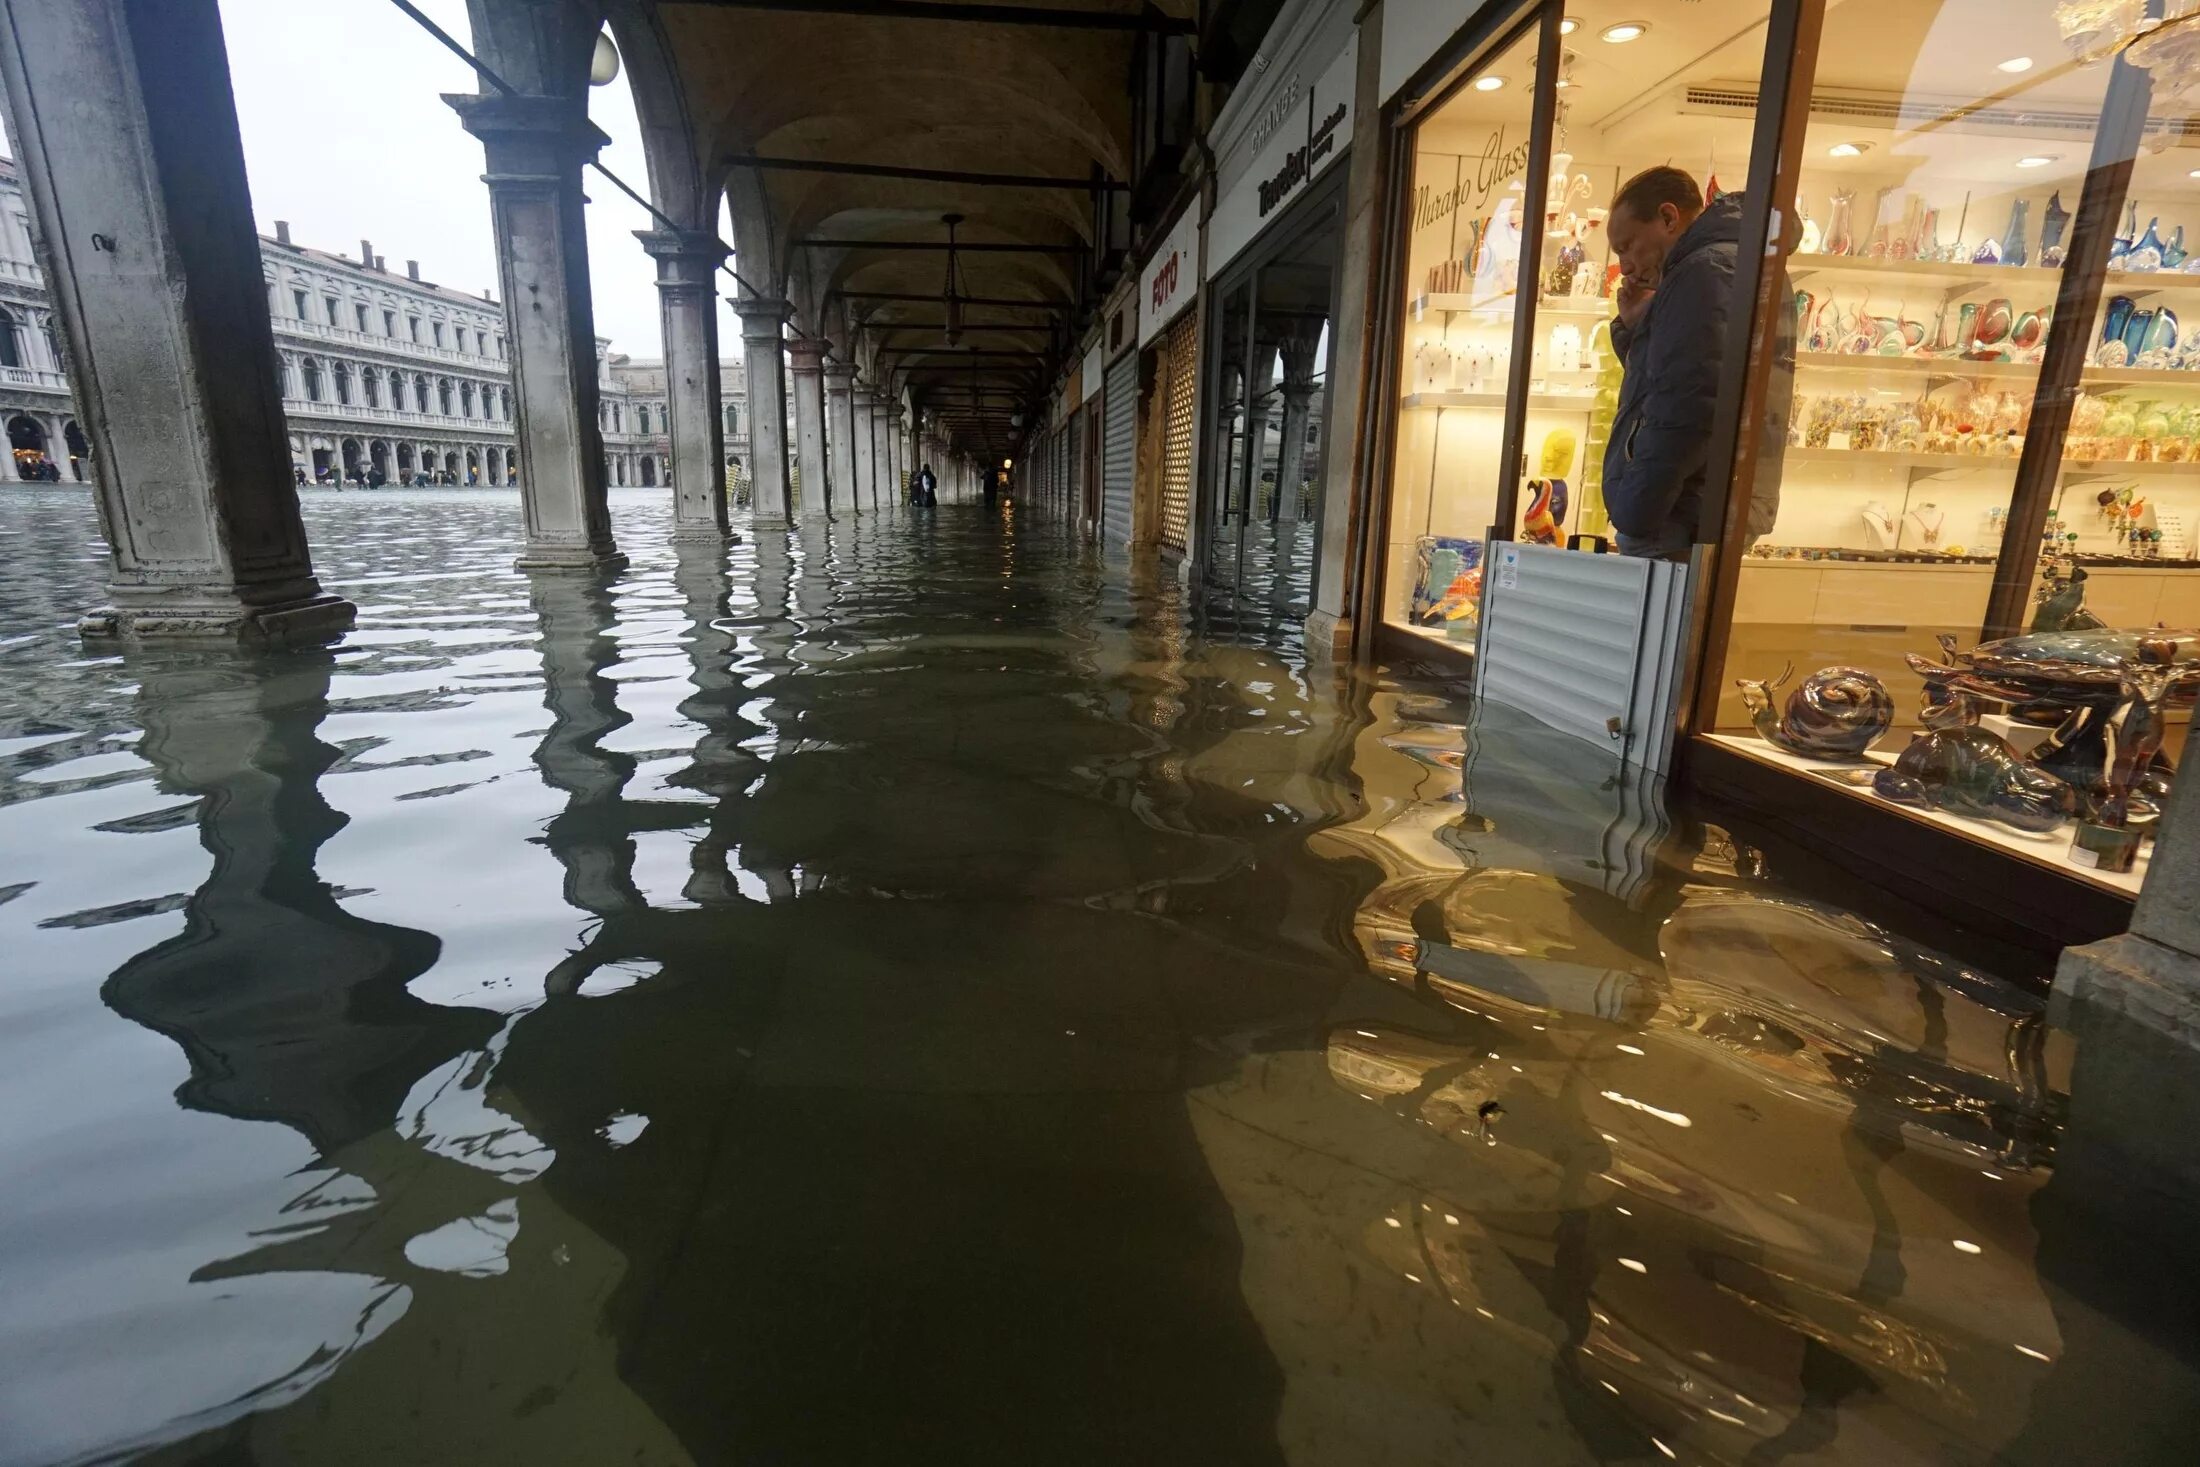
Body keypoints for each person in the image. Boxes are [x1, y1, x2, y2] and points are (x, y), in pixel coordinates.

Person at [1601, 166, 1775, 560]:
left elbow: (1687, 406)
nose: (1625, 266)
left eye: (1627, 246)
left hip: (1677, 518)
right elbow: (1683, 380)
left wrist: (1635, 511)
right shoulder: (1728, 266)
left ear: (1667, 217)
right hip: (1689, 510)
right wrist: (1640, 326)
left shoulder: (1704, 272)